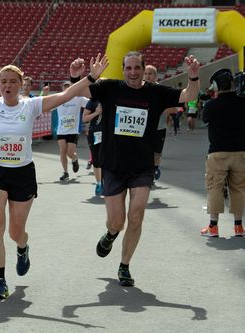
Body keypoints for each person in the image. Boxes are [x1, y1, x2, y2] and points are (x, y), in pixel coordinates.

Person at [0, 40, 108, 299]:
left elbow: (66, 95)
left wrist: (91, 77)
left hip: (23, 173)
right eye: (3, 81)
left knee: (16, 231)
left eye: (12, 81)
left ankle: (23, 246)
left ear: (20, 83)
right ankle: (1, 281)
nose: (7, 85)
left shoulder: (31, 105)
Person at [72, 51, 200, 287]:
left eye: (137, 68)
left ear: (143, 69)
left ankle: (124, 266)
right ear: (123, 70)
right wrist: (88, 76)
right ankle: (110, 235)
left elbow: (189, 95)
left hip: (142, 166)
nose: (133, 72)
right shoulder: (110, 87)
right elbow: (78, 92)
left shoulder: (156, 92)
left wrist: (193, 76)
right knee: (116, 222)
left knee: (137, 215)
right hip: (113, 164)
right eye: (128, 68)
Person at [200, 68, 245, 237]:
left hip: (218, 153)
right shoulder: (243, 102)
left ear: (217, 85)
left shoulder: (211, 105)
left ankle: (213, 227)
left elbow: (205, 119)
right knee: (239, 189)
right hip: (241, 152)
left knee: (215, 188)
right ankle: (239, 227)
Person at [55, 80, 88, 181]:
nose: (66, 88)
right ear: (62, 88)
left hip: (73, 131)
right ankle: (65, 172)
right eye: (65, 86)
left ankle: (74, 159)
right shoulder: (58, 99)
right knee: (62, 152)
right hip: (61, 130)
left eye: (68, 86)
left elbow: (91, 103)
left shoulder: (78, 99)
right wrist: (45, 94)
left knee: (70, 153)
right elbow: (46, 106)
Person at [82, 99, 103, 196]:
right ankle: (99, 183)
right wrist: (97, 112)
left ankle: (106, 182)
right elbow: (84, 118)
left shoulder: (113, 97)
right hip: (95, 133)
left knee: (108, 159)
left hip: (110, 135)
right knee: (96, 160)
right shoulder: (93, 101)